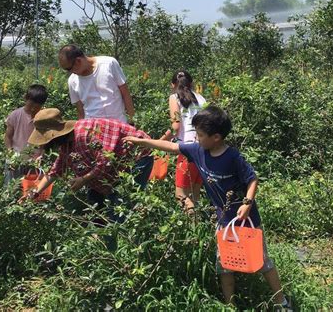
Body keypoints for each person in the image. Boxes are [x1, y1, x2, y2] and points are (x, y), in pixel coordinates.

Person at [123, 106, 291, 309]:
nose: (197, 139)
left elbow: (252, 179)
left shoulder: (233, 157)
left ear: (217, 137)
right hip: (222, 221)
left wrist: (247, 204)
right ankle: (230, 305)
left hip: (247, 220)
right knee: (225, 264)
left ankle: (281, 302)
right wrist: (142, 141)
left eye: (200, 135)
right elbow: (172, 147)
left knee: (262, 261)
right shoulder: (197, 150)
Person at [20, 108, 153, 223]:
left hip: (139, 155)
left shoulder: (84, 135)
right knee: (99, 203)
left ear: (54, 136)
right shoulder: (66, 144)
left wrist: (83, 179)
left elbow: (105, 161)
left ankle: (126, 241)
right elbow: (56, 171)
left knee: (121, 206)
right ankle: (105, 238)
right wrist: (34, 193)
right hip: (118, 163)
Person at [161, 71, 206, 213]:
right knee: (195, 194)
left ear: (172, 85)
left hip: (186, 150)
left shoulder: (174, 98)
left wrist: (159, 141)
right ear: (191, 84)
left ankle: (190, 230)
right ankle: (198, 228)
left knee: (181, 195)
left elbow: (175, 127)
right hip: (203, 149)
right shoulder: (201, 98)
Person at [58, 44, 135, 123]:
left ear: (78, 61)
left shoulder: (109, 64)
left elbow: (125, 93)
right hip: (93, 129)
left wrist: (132, 121)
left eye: (69, 68)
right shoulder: (72, 81)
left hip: (119, 124)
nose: (70, 72)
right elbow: (80, 110)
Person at [4, 84, 48, 184]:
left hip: (34, 161)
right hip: (16, 159)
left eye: (36, 107)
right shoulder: (15, 115)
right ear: (25, 98)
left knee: (31, 191)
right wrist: (10, 153)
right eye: (31, 105)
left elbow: (44, 139)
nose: (32, 109)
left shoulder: (43, 118)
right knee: (11, 189)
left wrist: (41, 154)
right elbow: (8, 136)